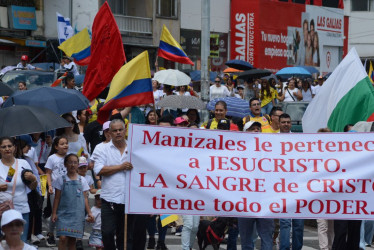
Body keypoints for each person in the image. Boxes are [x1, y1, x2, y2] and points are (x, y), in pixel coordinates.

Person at [93, 119, 142, 250]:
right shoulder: (101, 148)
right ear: (109, 132)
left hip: (129, 200)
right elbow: (99, 170)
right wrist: (120, 167)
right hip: (109, 199)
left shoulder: (134, 147)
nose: (118, 132)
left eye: (120, 129)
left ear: (125, 130)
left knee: (126, 236)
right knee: (107, 233)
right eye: (115, 130)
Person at [51, 154, 94, 250]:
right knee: (62, 238)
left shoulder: (82, 180)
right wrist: (54, 213)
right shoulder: (60, 180)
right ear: (65, 164)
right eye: (70, 162)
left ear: (78, 164)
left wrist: (90, 212)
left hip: (77, 214)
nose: (72, 165)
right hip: (63, 213)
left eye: (75, 162)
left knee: (72, 240)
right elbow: (57, 198)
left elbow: (85, 198)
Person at [0, 137, 37, 243]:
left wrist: (33, 179)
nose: (7, 149)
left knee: (21, 242)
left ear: (15, 148)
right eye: (3, 147)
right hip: (3, 211)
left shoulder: (23, 164)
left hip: (22, 209)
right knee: (4, 243)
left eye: (9, 146)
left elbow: (32, 187)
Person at [278, 114, 304, 250]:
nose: (286, 124)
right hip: (281, 188)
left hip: (298, 187)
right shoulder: (271, 140)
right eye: (283, 122)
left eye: (288, 122)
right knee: (285, 222)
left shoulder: (298, 140)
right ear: (279, 123)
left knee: (299, 223)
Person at [45, 136, 69, 247]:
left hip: (68, 189)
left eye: (66, 143)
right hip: (55, 189)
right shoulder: (52, 158)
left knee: (66, 212)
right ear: (56, 146)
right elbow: (48, 173)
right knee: (55, 212)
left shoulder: (70, 157)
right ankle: (50, 233)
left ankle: (64, 233)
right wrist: (49, 185)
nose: (65, 145)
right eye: (62, 143)